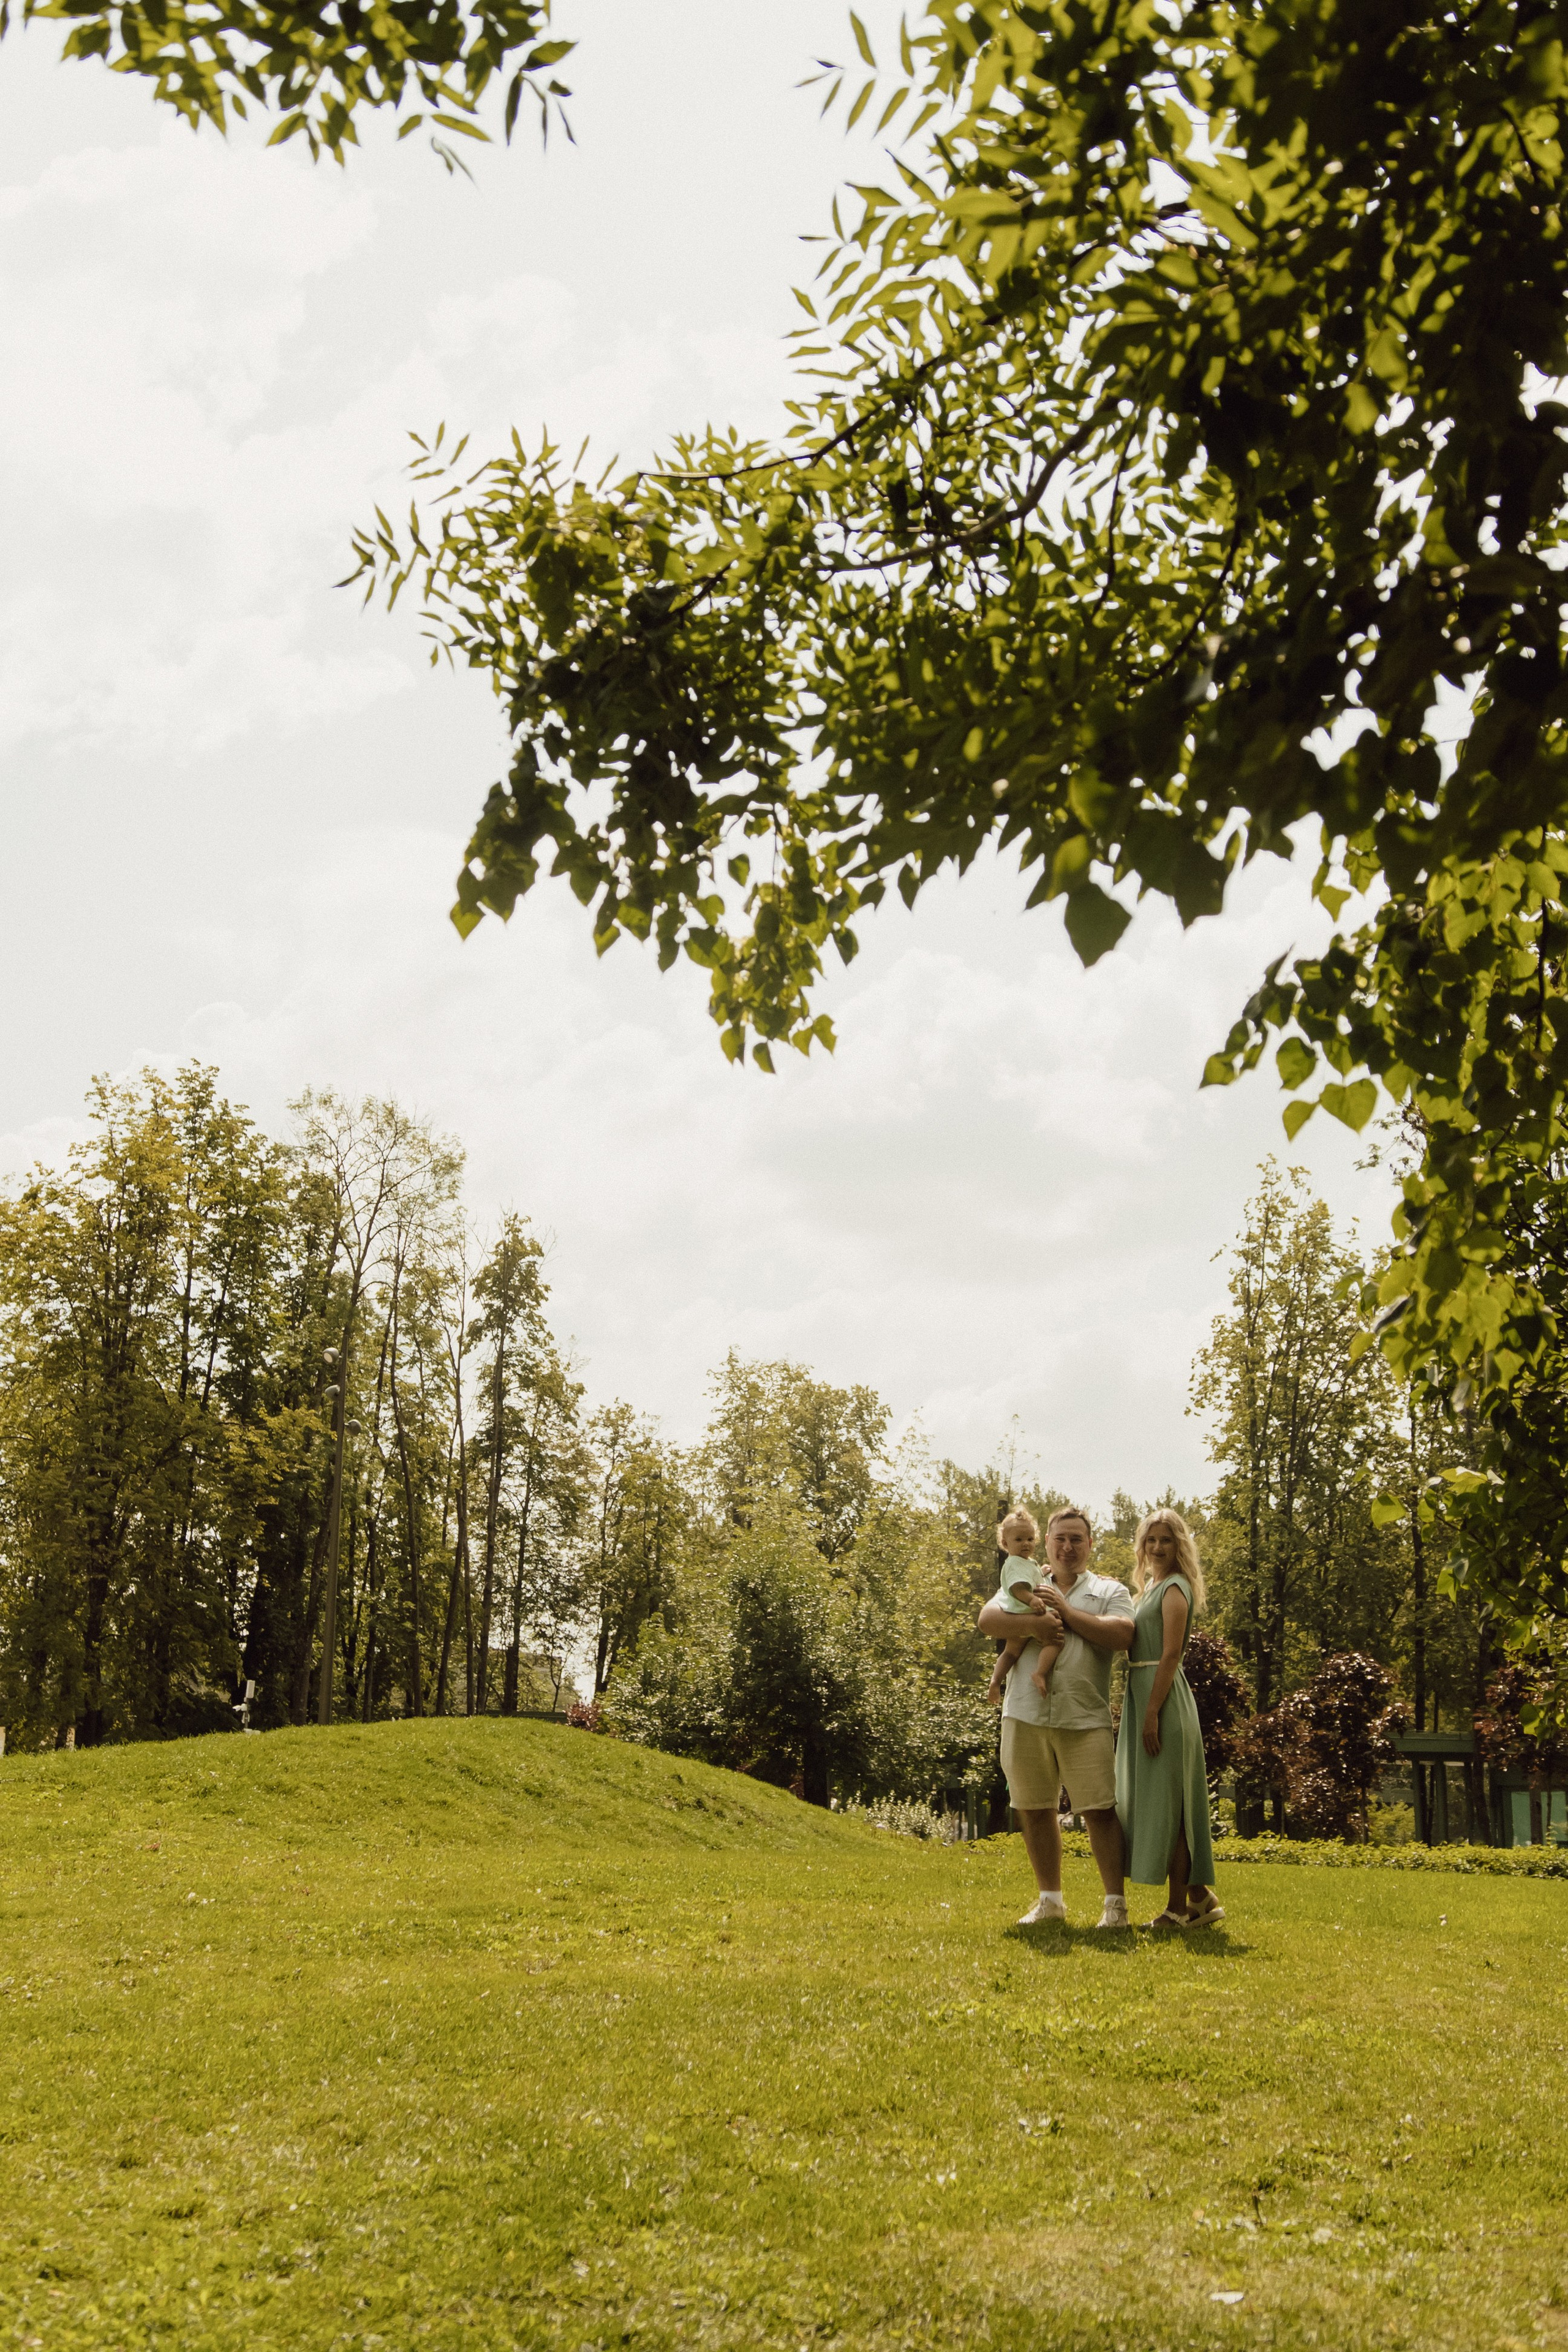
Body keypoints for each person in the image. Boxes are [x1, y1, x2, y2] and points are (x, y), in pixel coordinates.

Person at [976, 1504, 1134, 1929]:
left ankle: (1115, 1907)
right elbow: (988, 1619)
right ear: (1046, 1542)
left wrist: (1065, 1612)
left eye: (1076, 1539)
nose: (1067, 1547)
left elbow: (1123, 1634)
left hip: (1084, 1716)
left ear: (1089, 1544)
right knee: (1034, 1807)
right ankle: (1050, 1902)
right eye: (1059, 1538)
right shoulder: (1023, 1581)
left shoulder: (1108, 1590)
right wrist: (1033, 1625)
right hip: (1025, 1713)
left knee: (1099, 1809)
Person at [1115, 1507, 1224, 1929]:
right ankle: (1200, 1898)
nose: (1157, 1547)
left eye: (1166, 1540)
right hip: (1144, 1694)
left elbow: (1171, 1654)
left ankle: (1179, 1908)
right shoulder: (1149, 1588)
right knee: (1158, 1804)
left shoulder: (1175, 1588)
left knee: (1173, 1808)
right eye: (1151, 1540)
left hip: (1163, 1702)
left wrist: (1152, 1714)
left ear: (1179, 1545)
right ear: (1142, 1545)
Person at [985, 1507, 1065, 1708]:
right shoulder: (1013, 1564)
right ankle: (1040, 1672)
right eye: (1019, 1540)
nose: (1025, 1544)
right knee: (1055, 1641)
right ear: (1005, 1544)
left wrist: (1042, 1571)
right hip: (1027, 1613)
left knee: (1011, 1653)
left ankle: (996, 1681)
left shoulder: (1026, 1563)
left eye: (1030, 1539)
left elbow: (1030, 1576)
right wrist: (1031, 1600)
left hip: (1021, 1614)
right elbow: (1018, 1588)